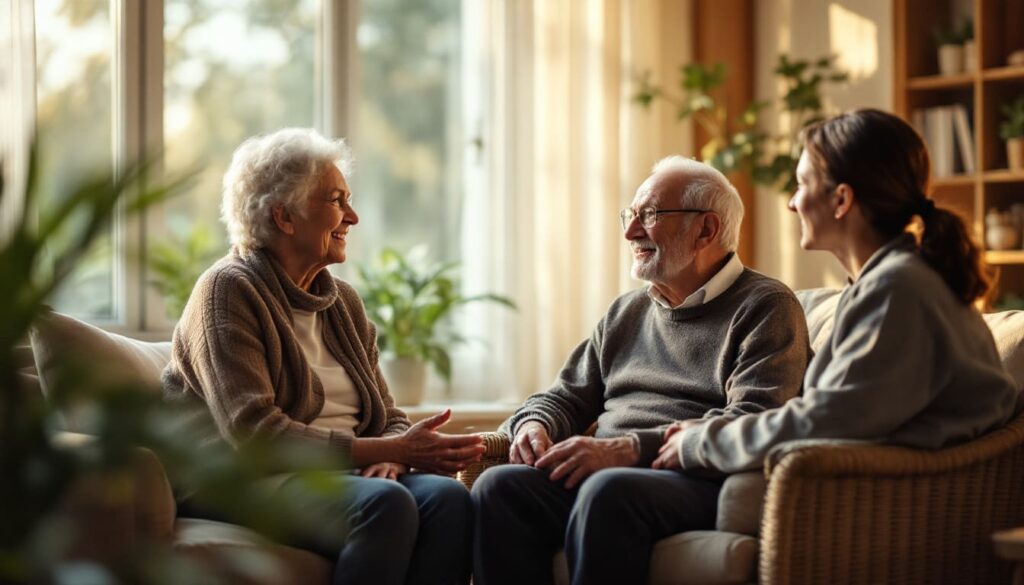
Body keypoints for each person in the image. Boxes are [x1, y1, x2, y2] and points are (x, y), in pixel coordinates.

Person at [162, 128, 484, 585]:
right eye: (336, 200)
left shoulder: (343, 302)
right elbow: (254, 434)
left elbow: (386, 415)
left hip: (341, 475)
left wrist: (391, 457)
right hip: (237, 479)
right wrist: (386, 448)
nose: (352, 216)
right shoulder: (227, 290)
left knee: (449, 501)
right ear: (284, 216)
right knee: (384, 505)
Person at [471, 156, 811, 585]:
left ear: (706, 229)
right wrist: (535, 423)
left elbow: (754, 419)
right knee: (500, 487)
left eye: (649, 215)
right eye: (630, 215)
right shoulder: (627, 311)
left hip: (690, 477)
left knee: (608, 491)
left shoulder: (767, 307)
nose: (631, 231)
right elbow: (564, 396)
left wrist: (628, 450)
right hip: (608, 475)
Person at [658, 109, 1019, 476]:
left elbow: (828, 419)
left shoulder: (899, 290)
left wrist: (703, 442)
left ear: (842, 200)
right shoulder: (889, 282)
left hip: (904, 497)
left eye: (801, 185)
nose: (791, 202)